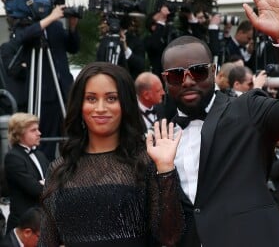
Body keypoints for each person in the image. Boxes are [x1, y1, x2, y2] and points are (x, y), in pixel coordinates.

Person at [160, 0, 279, 246]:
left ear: (213, 71)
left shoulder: (247, 109)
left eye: (198, 71)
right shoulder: (158, 137)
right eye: (177, 75)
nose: (188, 81)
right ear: (165, 81)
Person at [38, 61, 184, 246]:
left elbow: (170, 236)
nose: (100, 108)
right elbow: (47, 241)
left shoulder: (147, 162)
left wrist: (165, 169)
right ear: (79, 105)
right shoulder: (59, 169)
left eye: (111, 98)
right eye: (91, 98)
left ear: (125, 104)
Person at [2, 5, 80, 161]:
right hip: (44, 96)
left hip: (65, 91)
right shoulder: (29, 29)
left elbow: (73, 47)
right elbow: (21, 38)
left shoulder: (56, 27)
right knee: (46, 144)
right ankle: (46, 177)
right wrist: (50, 18)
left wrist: (72, 27)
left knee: (73, 139)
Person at [4, 113, 49, 234]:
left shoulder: (40, 155)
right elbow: (34, 189)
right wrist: (45, 184)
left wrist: (44, 183)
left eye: (38, 129)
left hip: (42, 222)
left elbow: (55, 180)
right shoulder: (13, 157)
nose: (39, 133)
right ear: (19, 134)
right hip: (23, 224)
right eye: (33, 130)